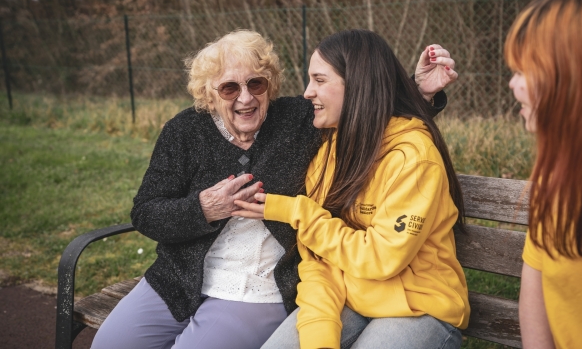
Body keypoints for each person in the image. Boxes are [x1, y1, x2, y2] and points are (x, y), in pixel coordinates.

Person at [91, 29, 458, 349]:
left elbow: (364, 106)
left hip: (259, 287)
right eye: (229, 88)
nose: (246, 98)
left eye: (256, 84)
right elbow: (146, 212)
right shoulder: (184, 132)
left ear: (270, 84)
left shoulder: (300, 120)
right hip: (180, 278)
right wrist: (202, 209)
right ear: (207, 93)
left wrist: (417, 90)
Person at [234, 29, 469, 349]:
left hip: (419, 307)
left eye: (319, 79)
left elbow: (379, 258)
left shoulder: (413, 157)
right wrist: (319, 339)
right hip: (351, 298)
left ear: (357, 86)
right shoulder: (329, 152)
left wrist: (297, 211)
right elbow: (318, 259)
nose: (307, 92)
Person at [504, 0, 582, 349]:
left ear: (576, 76)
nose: (513, 85)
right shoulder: (554, 180)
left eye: (525, 70)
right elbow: (537, 292)